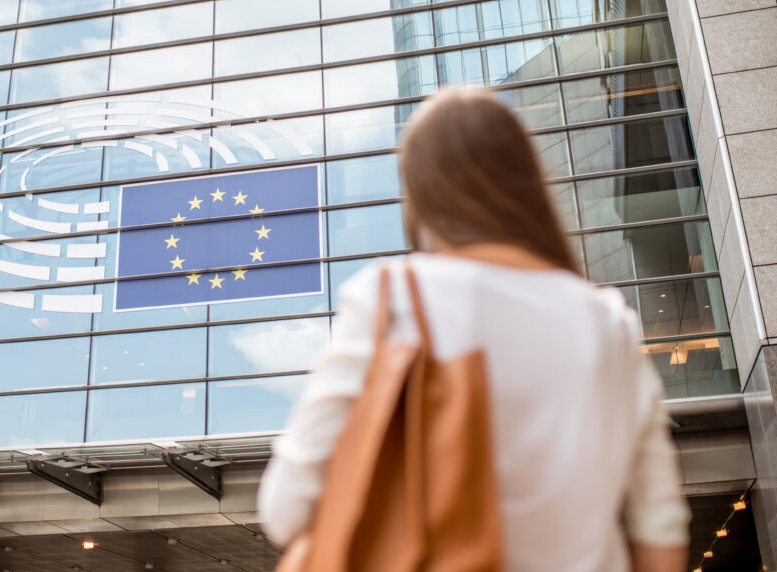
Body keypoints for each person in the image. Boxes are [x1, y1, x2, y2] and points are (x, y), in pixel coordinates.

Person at [258, 89, 690, 571]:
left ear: (423, 195)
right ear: (527, 184)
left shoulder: (393, 298)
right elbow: (660, 529)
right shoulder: (608, 321)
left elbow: (286, 506)